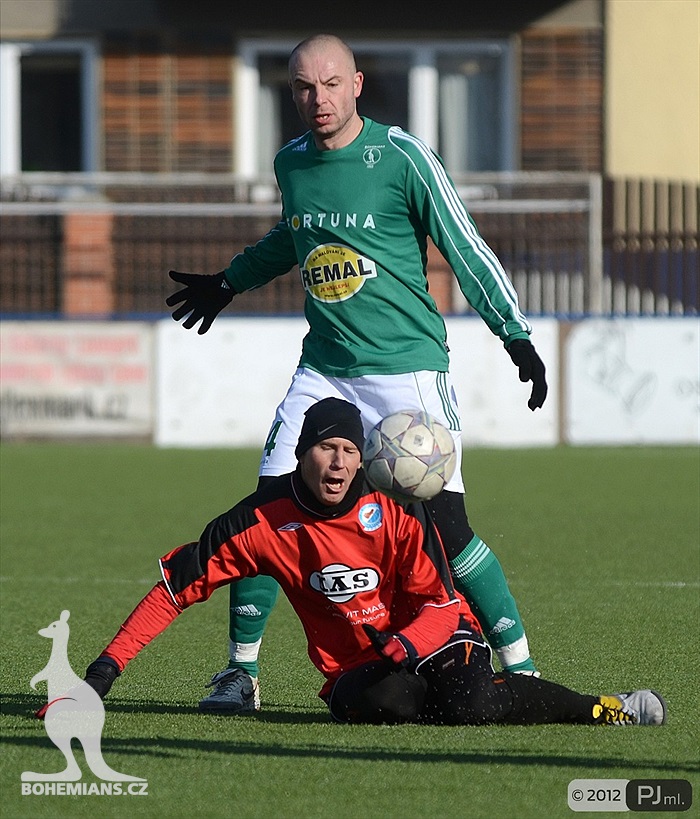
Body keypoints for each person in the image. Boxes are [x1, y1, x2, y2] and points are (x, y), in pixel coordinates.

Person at [166, 33, 549, 714]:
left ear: (357, 84)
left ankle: (523, 668)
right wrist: (230, 280)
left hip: (409, 373)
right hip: (327, 373)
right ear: (293, 94)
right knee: (268, 510)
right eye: (305, 88)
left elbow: (463, 244)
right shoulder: (292, 164)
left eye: (332, 84)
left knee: (447, 526)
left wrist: (515, 335)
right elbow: (297, 234)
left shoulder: (401, 156)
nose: (319, 99)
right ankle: (239, 674)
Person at [82, 398, 666, 728]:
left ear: (363, 457)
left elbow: (442, 605)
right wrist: (102, 675)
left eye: (349, 451)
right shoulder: (257, 520)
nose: (338, 464)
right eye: (325, 449)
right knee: (382, 705)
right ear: (302, 454)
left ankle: (602, 707)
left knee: (469, 704)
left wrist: (404, 647)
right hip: (359, 670)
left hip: (433, 637)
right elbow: (172, 590)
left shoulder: (394, 507)